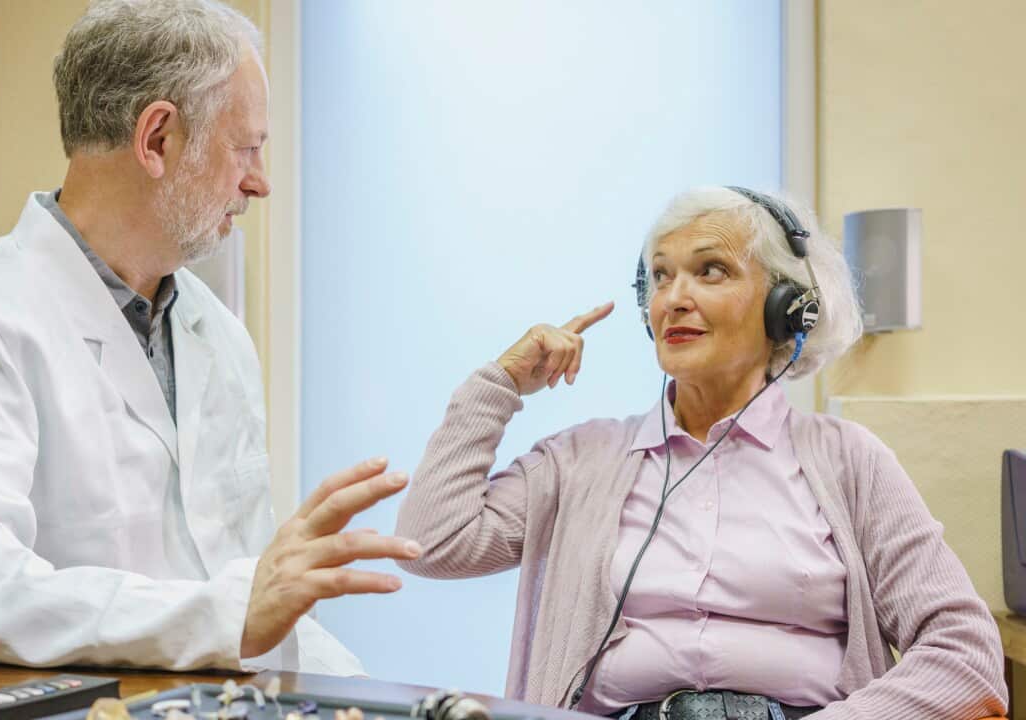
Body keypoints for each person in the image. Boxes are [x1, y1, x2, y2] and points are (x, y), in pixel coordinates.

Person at [0, 0, 420, 674]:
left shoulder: (217, 333)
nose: (260, 182)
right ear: (156, 140)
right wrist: (219, 617)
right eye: (247, 148)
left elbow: (251, 593)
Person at [394, 186, 1007, 719]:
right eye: (661, 276)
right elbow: (434, 543)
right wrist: (498, 385)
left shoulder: (850, 460)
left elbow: (963, 651)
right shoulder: (582, 459)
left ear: (786, 307)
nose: (673, 299)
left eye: (710, 270)